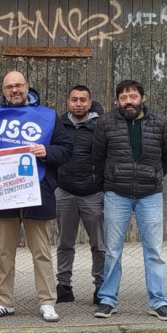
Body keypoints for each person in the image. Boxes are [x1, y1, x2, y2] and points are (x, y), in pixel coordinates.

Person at [0, 71, 72, 323]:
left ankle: (47, 302)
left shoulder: (47, 117)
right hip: (3, 195)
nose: (14, 90)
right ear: (3, 90)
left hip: (37, 193)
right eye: (9, 87)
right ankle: (4, 301)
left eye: (18, 85)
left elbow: (67, 150)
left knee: (41, 252)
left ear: (27, 86)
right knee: (5, 252)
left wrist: (46, 151)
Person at [93, 80, 167, 321]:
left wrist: (153, 175)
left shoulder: (160, 122)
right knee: (112, 251)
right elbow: (98, 158)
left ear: (142, 97)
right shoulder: (106, 123)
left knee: (154, 251)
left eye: (132, 96)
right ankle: (108, 300)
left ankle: (158, 301)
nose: (128, 101)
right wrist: (112, 179)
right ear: (117, 100)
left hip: (150, 195)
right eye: (123, 97)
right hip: (116, 195)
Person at [55, 85, 106, 305]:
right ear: (68, 101)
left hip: (93, 193)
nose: (78, 104)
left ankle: (101, 287)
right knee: (65, 242)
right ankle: (63, 286)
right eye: (74, 99)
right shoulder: (57, 125)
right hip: (64, 191)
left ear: (90, 101)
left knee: (99, 244)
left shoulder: (101, 126)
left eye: (83, 100)